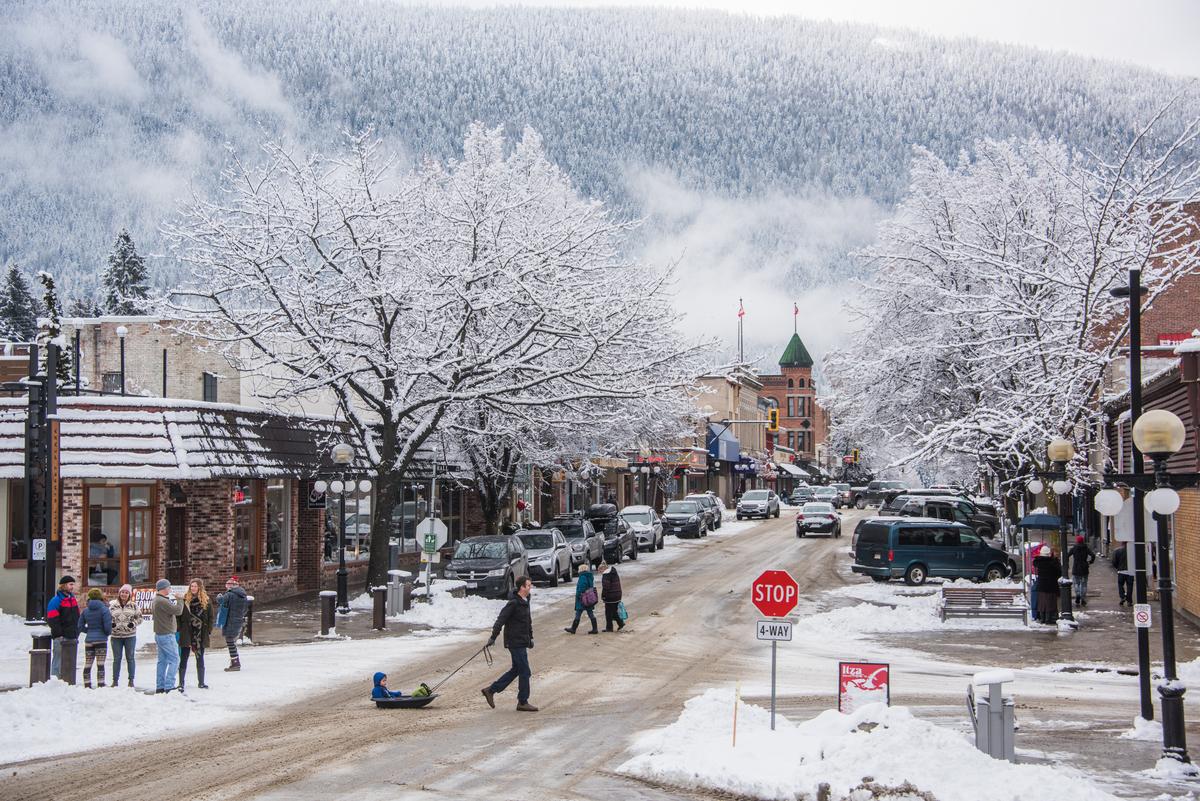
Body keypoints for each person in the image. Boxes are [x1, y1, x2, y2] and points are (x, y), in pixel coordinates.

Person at [481, 575, 537, 712]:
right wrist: (493, 637)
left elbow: (527, 621)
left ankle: (491, 690)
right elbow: (501, 620)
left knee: (516, 670)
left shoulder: (525, 601)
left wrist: (530, 637)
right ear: (522, 587)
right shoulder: (514, 603)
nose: (530, 588)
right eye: (528, 585)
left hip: (522, 641)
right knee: (525, 671)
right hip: (514, 642)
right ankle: (522, 702)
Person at [178, 578, 213, 690]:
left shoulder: (206, 601)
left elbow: (211, 617)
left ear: (199, 588)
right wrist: (179, 629)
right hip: (187, 632)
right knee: (184, 657)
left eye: (195, 586)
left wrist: (208, 630)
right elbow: (178, 616)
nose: (193, 588)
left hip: (200, 634)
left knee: (200, 657)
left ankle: (201, 682)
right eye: (191, 586)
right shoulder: (185, 600)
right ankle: (181, 683)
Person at [152, 578, 184, 693]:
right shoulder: (162, 601)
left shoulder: (157, 599)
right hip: (167, 634)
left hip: (160, 634)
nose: (170, 589)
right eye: (169, 587)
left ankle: (160, 686)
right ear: (164, 588)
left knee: (162, 661)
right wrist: (180, 599)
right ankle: (169, 685)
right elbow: (178, 611)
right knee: (175, 660)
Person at [47, 575, 81, 679]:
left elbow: (77, 617)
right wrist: (59, 634)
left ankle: (67, 679)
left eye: (73, 584)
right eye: (70, 584)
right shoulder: (56, 600)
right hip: (61, 636)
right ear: (64, 585)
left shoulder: (72, 599)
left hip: (72, 635)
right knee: (58, 659)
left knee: (69, 660)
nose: (72, 587)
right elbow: (52, 620)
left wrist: (77, 630)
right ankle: (55, 680)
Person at [109, 583, 142, 687]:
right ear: (119, 593)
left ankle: (131, 680)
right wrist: (112, 624)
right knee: (117, 659)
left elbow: (140, 618)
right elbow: (107, 618)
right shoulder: (113, 606)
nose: (124, 594)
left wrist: (134, 623)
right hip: (116, 636)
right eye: (122, 592)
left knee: (130, 658)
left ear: (129, 594)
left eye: (126, 592)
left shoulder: (134, 606)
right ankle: (115, 681)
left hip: (130, 636)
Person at [80, 588, 113, 688]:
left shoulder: (85, 610)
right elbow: (108, 627)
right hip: (101, 640)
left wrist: (88, 631)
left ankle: (87, 683)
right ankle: (101, 683)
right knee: (100, 664)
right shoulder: (104, 610)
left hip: (89, 640)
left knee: (88, 663)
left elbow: (80, 626)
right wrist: (106, 633)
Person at [217, 575, 248, 671]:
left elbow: (222, 602)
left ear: (232, 585)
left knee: (230, 641)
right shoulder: (242, 594)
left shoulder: (230, 594)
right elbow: (246, 609)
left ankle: (235, 663)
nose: (226, 586)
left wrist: (219, 597)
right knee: (232, 640)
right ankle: (234, 661)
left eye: (228, 584)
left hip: (230, 620)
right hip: (238, 619)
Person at [564, 563, 598, 634]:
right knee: (590, 612)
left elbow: (582, 587)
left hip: (583, 598)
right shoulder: (589, 576)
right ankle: (595, 628)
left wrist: (579, 594)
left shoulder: (582, 577)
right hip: (589, 597)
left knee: (578, 613)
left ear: (581, 569)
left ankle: (573, 628)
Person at [1032, 545, 1062, 625]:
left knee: (1042, 603)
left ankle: (1042, 618)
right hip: (1051, 586)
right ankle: (1049, 619)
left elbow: (1035, 563)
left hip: (1041, 585)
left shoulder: (1038, 562)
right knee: (1050, 603)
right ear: (1049, 554)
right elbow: (1059, 573)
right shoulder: (1052, 563)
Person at [1069, 535, 1096, 607]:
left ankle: (1077, 594)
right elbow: (1093, 555)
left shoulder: (1074, 548)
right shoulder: (1086, 548)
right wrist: (1090, 562)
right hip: (1084, 568)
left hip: (1076, 568)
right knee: (1084, 584)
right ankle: (1083, 598)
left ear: (1077, 541)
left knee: (1076, 583)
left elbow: (1067, 555)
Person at [600, 562, 625, 632]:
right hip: (617, 595)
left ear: (603, 569)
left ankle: (610, 627)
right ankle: (620, 623)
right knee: (613, 611)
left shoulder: (606, 575)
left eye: (600, 571)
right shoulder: (614, 573)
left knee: (608, 612)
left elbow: (606, 587)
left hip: (610, 596)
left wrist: (603, 596)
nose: (600, 573)